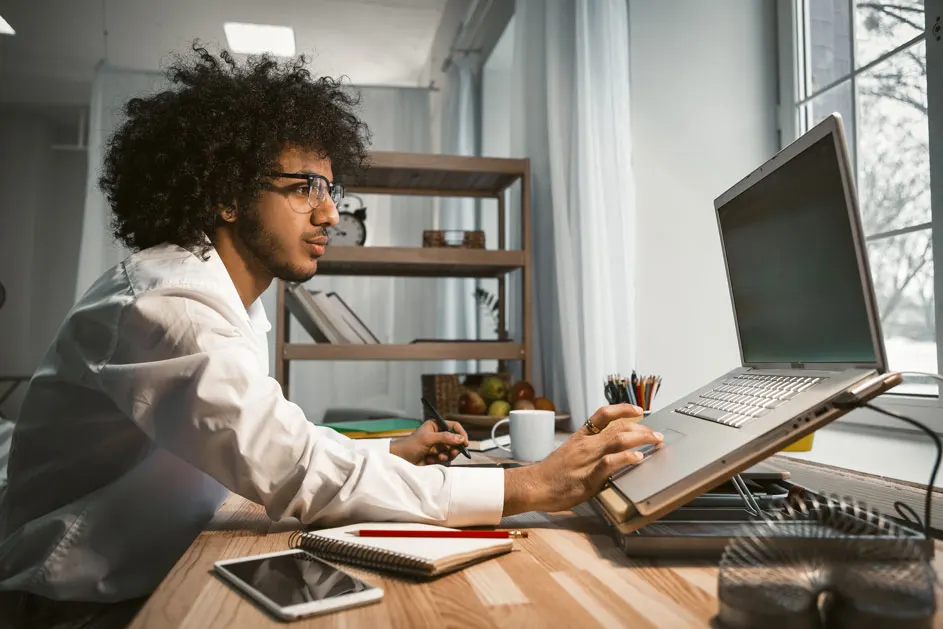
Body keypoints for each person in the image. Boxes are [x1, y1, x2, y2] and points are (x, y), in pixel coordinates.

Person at [0, 45, 662, 627]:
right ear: (226, 196)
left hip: (149, 573)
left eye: (330, 187)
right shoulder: (168, 303)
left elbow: (269, 435)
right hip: (76, 604)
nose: (329, 212)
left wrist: (393, 449)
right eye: (302, 188)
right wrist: (528, 487)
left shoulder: (219, 297)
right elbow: (292, 466)